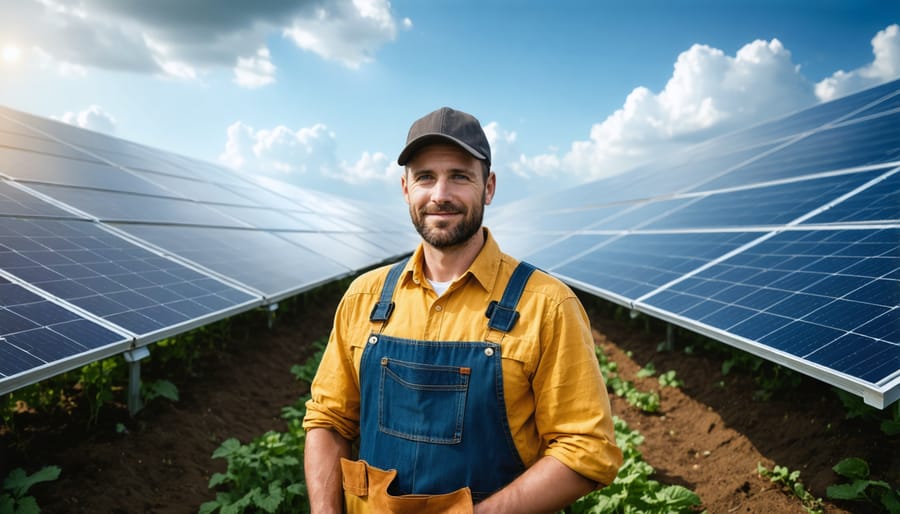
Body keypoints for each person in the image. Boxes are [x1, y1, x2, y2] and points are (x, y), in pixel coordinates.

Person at [303, 107, 622, 513]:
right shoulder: (364, 298)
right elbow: (329, 420)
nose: (440, 195)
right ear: (405, 189)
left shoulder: (547, 305)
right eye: (425, 177)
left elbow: (586, 449)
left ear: (488, 187)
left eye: (459, 176)